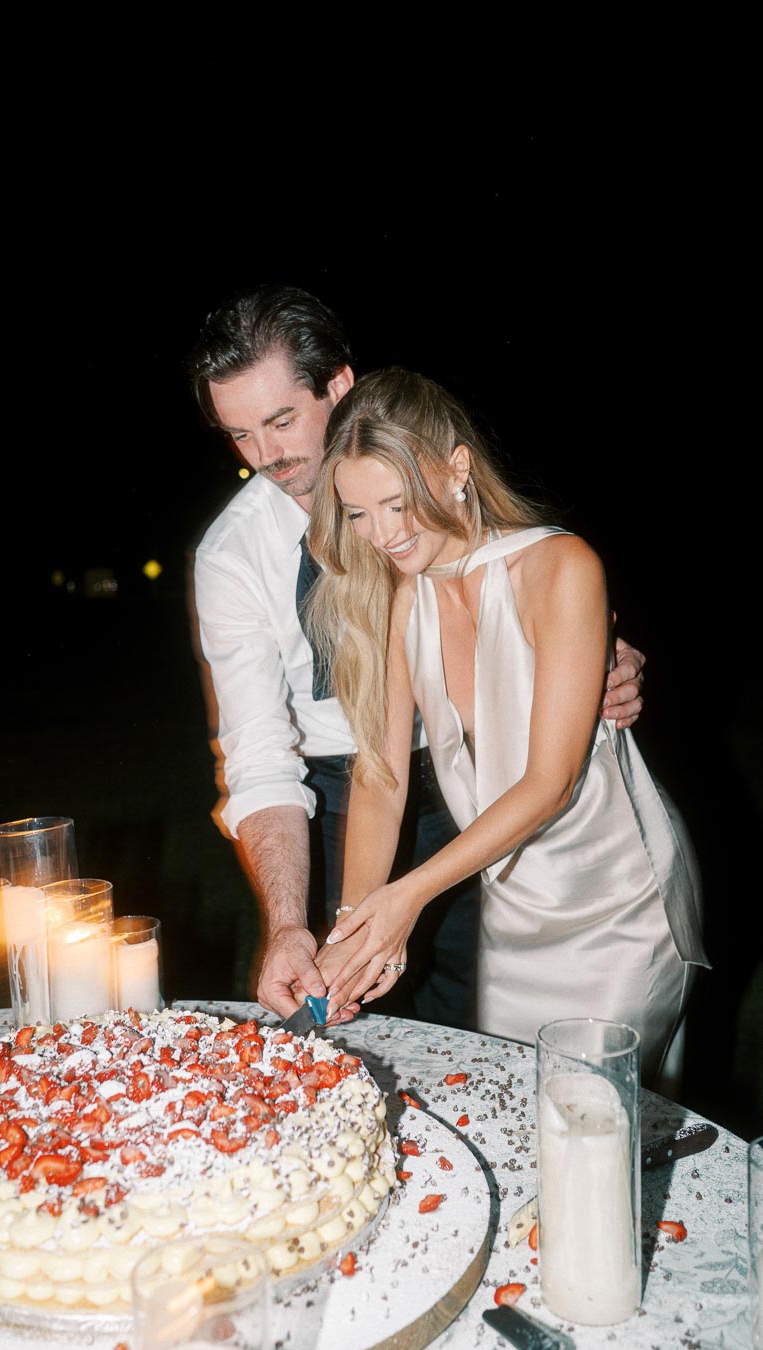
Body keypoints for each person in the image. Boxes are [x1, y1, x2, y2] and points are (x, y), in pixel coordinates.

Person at [188, 286, 647, 1027]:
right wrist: (314, 921)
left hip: (501, 789)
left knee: (485, 1021)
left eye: (280, 421)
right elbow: (267, 758)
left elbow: (528, 592)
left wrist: (591, 659)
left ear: (339, 386)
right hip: (351, 797)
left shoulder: (431, 482)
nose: (265, 456)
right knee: (355, 1023)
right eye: (239, 435)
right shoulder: (233, 556)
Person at [306, 367, 709, 1084]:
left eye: (398, 503)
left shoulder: (560, 566)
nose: (383, 536)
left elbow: (550, 783)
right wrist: (354, 927)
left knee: (589, 1116)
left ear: (457, 466)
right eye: (359, 513)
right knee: (517, 1125)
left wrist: (408, 897)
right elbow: (381, 774)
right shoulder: (408, 599)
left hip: (618, 908)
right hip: (514, 914)